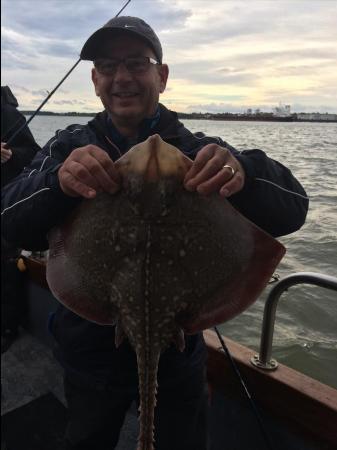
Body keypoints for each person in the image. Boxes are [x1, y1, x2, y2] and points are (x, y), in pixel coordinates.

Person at [1, 16, 309, 450]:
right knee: (88, 437)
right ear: (94, 80)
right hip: (89, 349)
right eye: (108, 66)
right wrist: (57, 183)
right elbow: (8, 218)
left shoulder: (199, 153)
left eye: (136, 63)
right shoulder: (67, 148)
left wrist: (247, 172)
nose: (121, 77)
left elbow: (295, 208)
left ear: (161, 76)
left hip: (177, 352)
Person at [1, 86, 41, 353]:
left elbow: (34, 155)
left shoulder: (6, 113)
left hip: (4, 202)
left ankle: (7, 326)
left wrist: (10, 155)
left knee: (5, 264)